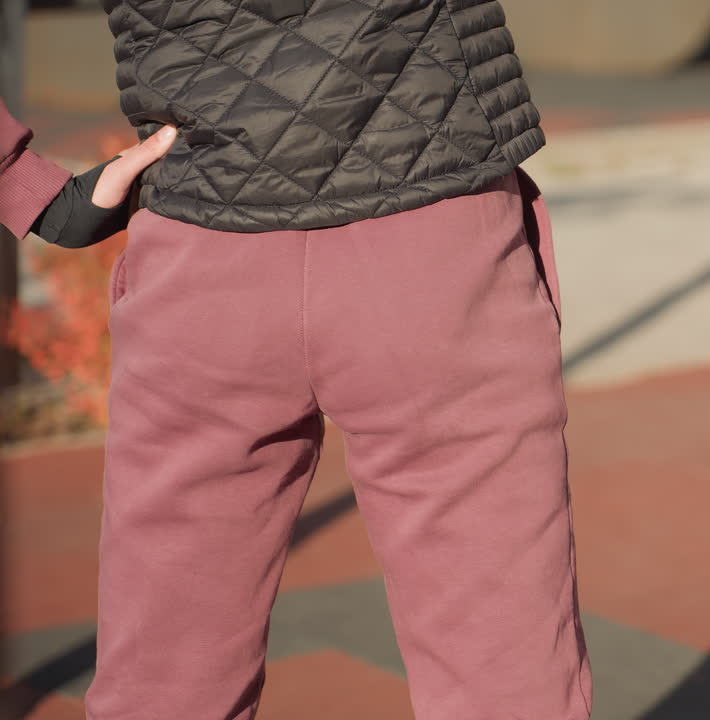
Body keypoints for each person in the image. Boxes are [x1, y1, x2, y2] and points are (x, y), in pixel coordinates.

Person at [0, 0, 593, 717]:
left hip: (205, 253)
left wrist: (23, 185)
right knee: (501, 668)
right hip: (435, 243)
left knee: (166, 678)